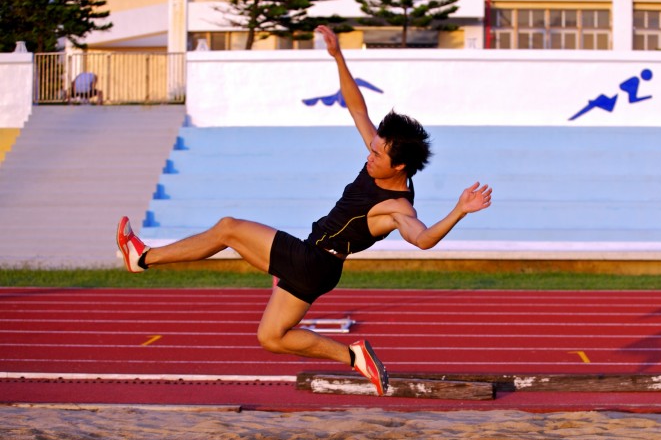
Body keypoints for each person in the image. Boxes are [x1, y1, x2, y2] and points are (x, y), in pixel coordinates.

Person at [116, 25, 492, 396]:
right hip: (319, 265)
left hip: (312, 261)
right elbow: (357, 108)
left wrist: (458, 209)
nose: (369, 154)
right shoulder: (380, 161)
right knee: (271, 337)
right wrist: (338, 57)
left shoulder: (395, 207)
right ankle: (354, 356)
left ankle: (143, 258)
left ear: (399, 166)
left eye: (377, 154)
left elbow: (422, 239)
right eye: (373, 147)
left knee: (228, 228)